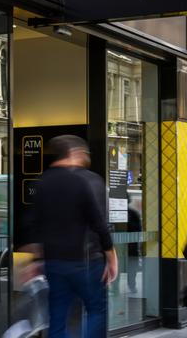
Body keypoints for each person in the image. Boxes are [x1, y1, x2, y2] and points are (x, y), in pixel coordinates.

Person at [32, 135, 118, 338]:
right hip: (86, 261)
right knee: (96, 309)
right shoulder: (87, 181)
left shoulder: (43, 182)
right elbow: (99, 223)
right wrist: (111, 258)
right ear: (75, 153)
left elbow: (35, 224)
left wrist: (35, 260)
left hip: (54, 262)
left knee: (58, 315)